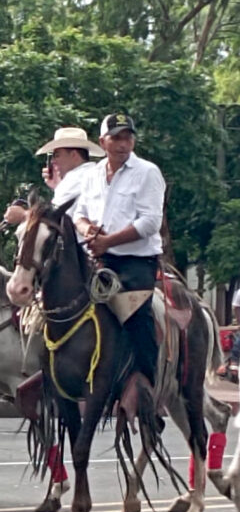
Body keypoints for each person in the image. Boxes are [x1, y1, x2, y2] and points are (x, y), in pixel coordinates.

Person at [74, 113, 165, 394]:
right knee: (62, 304)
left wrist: (109, 241)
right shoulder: (92, 174)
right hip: (97, 258)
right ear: (103, 142)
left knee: (137, 318)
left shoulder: (147, 172)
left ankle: (145, 384)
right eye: (116, 137)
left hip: (135, 261)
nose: (123, 144)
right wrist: (88, 231)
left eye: (128, 137)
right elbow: (79, 214)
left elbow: (151, 222)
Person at [4, 127, 105, 225]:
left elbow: (54, 215)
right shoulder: (91, 172)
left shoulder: (77, 177)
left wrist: (23, 214)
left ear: (74, 155)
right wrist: (58, 186)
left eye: (57, 155)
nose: (53, 161)